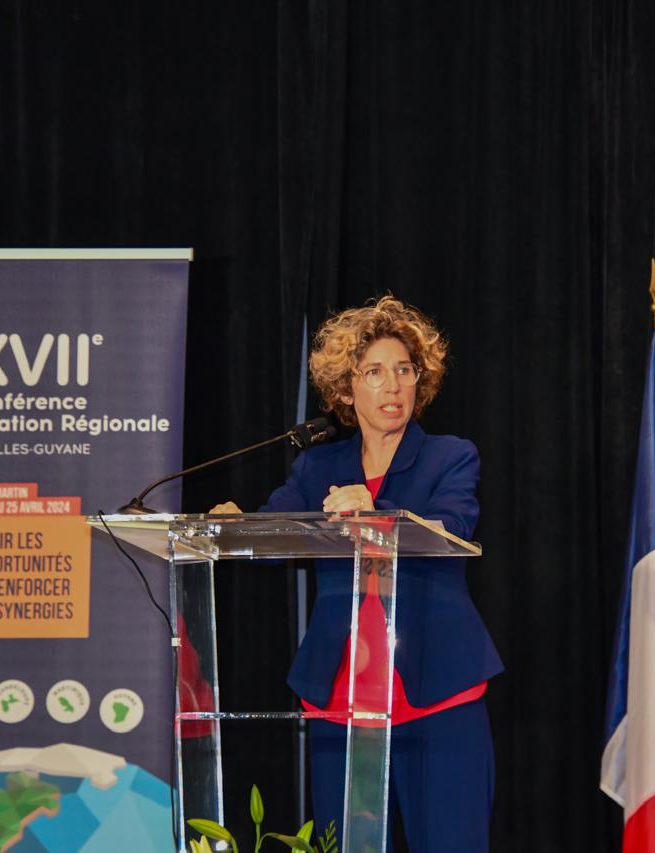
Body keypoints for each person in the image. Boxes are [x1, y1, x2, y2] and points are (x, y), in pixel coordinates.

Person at [210, 295, 502, 851]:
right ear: (345, 390)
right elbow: (273, 534)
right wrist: (234, 527)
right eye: (374, 372)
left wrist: (377, 511)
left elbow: (454, 527)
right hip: (340, 696)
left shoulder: (450, 456)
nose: (393, 385)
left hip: (437, 693)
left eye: (404, 370)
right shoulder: (317, 466)